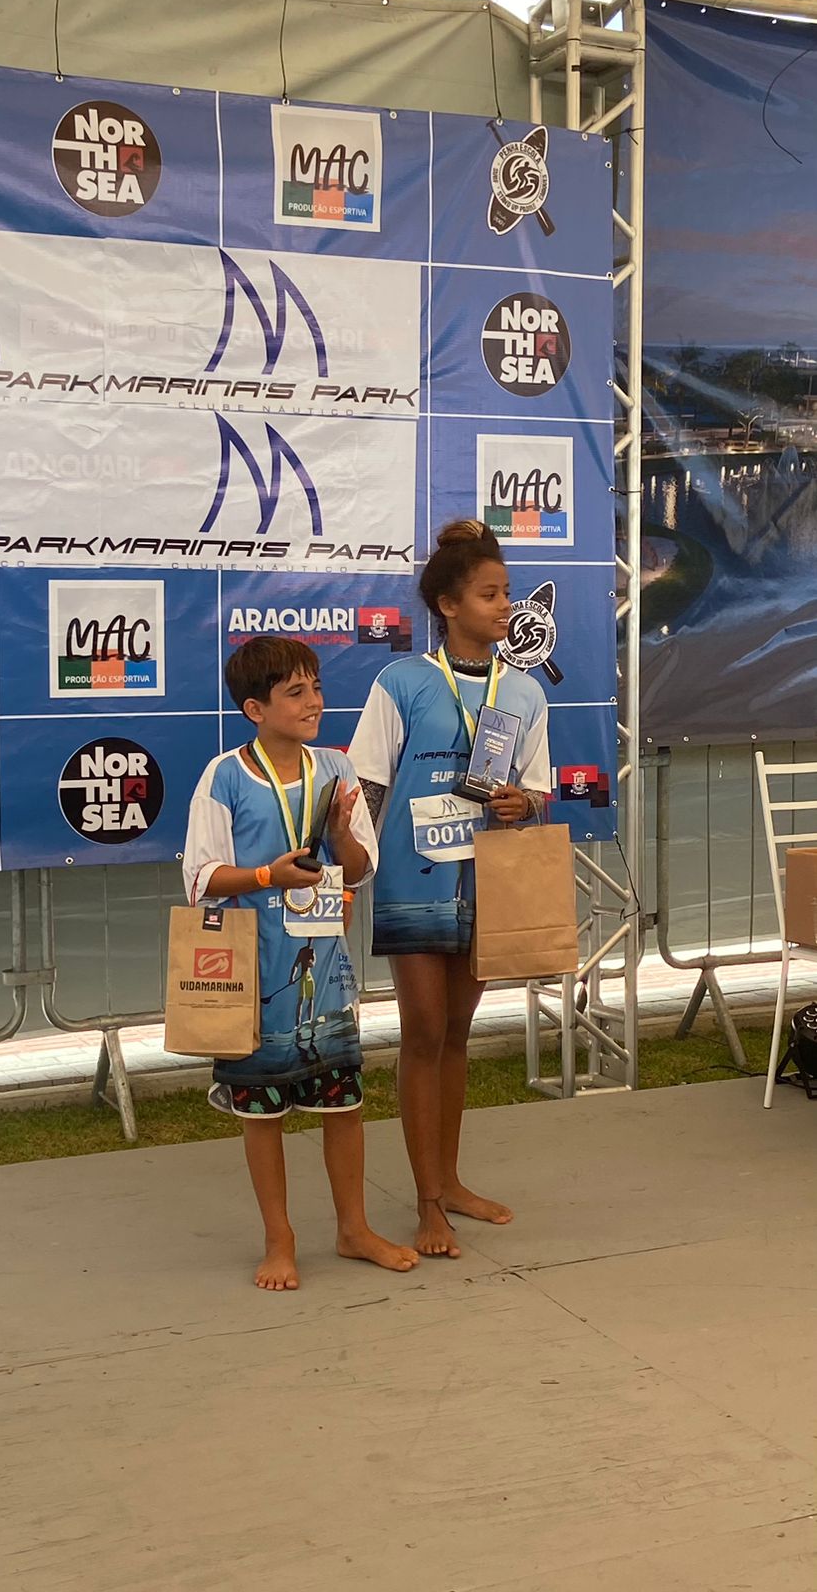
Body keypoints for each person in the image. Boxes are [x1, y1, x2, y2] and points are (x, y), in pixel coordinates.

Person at [183, 635, 419, 1291]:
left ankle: (353, 1227)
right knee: (262, 1112)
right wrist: (267, 873)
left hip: (325, 965)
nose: (314, 701)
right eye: (296, 692)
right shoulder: (224, 776)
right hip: (254, 970)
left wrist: (341, 835)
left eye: (315, 687)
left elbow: (360, 866)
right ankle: (279, 1238)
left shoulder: (338, 771)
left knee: (343, 1101)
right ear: (255, 709)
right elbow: (200, 878)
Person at [349, 520, 550, 1259]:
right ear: (447, 604)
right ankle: (427, 1201)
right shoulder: (400, 681)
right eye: (490, 594)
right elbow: (367, 783)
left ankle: (453, 1181)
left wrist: (520, 803)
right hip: (412, 873)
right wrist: (348, 873)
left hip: (485, 879)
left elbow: (539, 788)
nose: (506, 607)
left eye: (507, 594)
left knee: (459, 1035)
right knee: (424, 1032)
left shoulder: (524, 692)